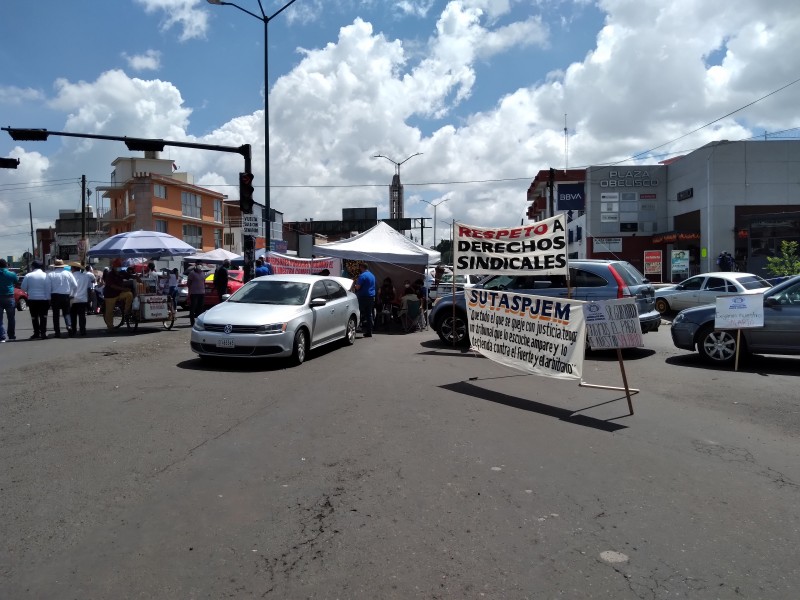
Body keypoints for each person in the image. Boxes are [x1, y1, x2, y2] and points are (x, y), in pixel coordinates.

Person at [47, 259, 78, 338]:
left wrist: (49, 298)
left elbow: (48, 287)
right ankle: (69, 326)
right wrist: (72, 294)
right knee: (66, 313)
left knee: (55, 314)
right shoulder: (68, 273)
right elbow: (75, 285)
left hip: (55, 295)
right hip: (65, 295)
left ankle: (57, 332)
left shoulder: (50, 274)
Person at [21, 261, 51, 339]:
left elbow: (23, 288)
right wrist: (49, 298)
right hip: (44, 299)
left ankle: (36, 333)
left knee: (34, 317)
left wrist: (29, 290)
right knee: (43, 317)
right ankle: (43, 333)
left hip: (32, 299)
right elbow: (49, 287)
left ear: (33, 267)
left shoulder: (28, 275)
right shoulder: (46, 275)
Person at [103, 258, 133, 332]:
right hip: (110, 296)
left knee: (129, 294)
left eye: (119, 266)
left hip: (119, 294)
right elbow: (113, 286)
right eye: (117, 266)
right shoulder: (110, 275)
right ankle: (110, 327)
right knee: (109, 312)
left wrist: (137, 277)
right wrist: (124, 289)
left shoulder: (121, 272)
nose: (118, 268)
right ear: (113, 267)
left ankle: (126, 312)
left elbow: (130, 276)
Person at [69, 264, 95, 336]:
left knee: (73, 316)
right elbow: (89, 288)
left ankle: (73, 331)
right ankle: (82, 330)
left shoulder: (70, 276)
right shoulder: (85, 276)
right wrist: (89, 299)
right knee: (82, 316)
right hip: (83, 299)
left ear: (72, 268)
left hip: (72, 299)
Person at [353, 263, 376, 337]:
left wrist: (354, 285)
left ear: (362, 267)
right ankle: (369, 331)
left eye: (359, 267)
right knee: (369, 314)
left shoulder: (362, 276)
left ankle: (358, 327)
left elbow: (358, 287)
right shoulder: (372, 275)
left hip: (363, 297)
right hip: (371, 296)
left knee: (359, 312)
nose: (359, 268)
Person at [0, 258, 19, 342]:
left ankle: (2, 336)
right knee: (11, 318)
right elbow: (16, 281)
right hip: (9, 297)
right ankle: (11, 335)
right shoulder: (12, 274)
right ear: (6, 265)